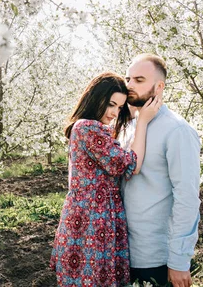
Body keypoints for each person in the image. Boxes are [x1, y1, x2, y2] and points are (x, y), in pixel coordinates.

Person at [50, 71, 162, 287]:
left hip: (92, 214)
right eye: (111, 104)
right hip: (94, 218)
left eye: (119, 107)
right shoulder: (88, 128)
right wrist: (143, 123)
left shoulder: (90, 128)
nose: (114, 112)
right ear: (95, 98)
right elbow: (131, 164)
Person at [122, 54, 201, 287]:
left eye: (138, 79)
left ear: (159, 86)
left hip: (156, 256)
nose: (129, 86)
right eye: (128, 79)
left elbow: (187, 197)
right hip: (121, 251)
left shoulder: (177, 130)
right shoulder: (129, 127)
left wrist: (179, 260)